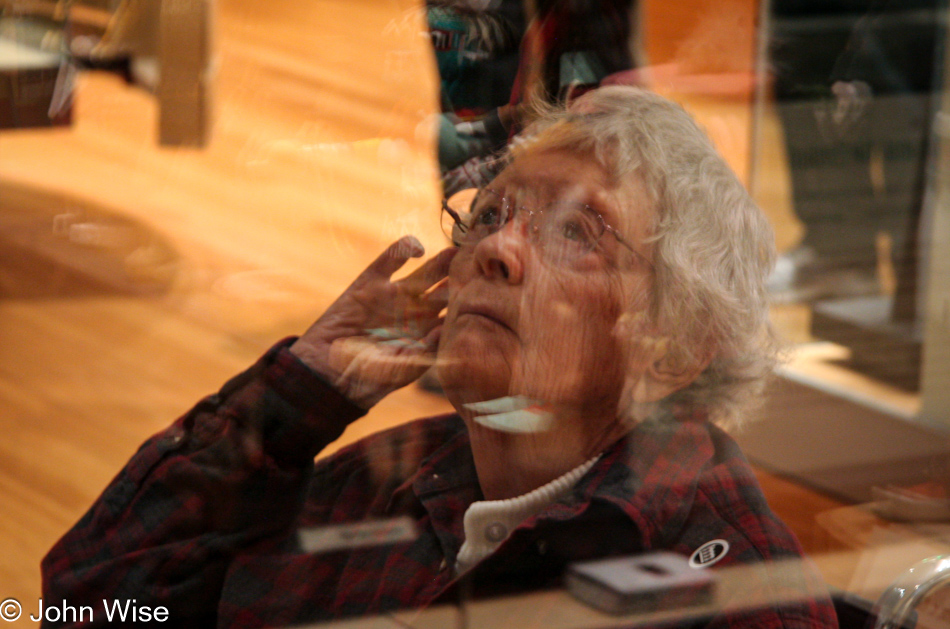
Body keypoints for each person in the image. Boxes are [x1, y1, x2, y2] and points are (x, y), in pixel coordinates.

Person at [42, 86, 838, 628]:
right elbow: (89, 601)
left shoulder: (735, 597)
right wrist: (296, 399)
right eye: (492, 212)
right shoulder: (402, 474)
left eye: (578, 232)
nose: (496, 247)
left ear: (674, 347)